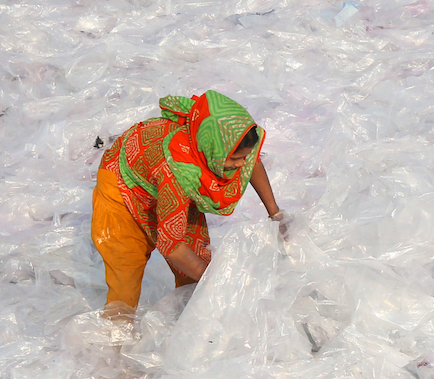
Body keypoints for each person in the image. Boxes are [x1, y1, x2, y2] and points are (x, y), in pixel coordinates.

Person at [90, 90, 287, 320]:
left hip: (161, 181)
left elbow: (251, 160)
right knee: (126, 276)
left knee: (195, 264)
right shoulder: (178, 175)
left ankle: (190, 329)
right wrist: (214, 281)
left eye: (243, 157)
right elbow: (171, 244)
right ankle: (115, 343)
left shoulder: (212, 140)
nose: (242, 163)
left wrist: (276, 214)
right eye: (235, 159)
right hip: (124, 187)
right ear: (214, 151)